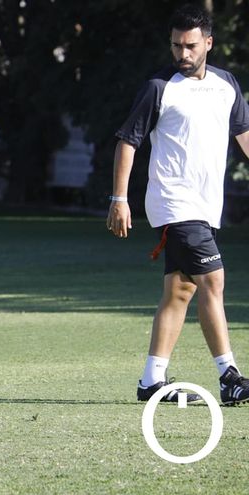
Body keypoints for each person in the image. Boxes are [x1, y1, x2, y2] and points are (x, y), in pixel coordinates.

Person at [107, 4, 249, 405]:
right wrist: (119, 198)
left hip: (206, 207)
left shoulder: (226, 84)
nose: (182, 54)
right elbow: (128, 142)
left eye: (190, 46)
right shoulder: (159, 87)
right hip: (175, 204)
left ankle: (151, 381)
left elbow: (244, 134)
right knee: (213, 281)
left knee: (180, 290)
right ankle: (229, 377)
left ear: (209, 43)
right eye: (176, 46)